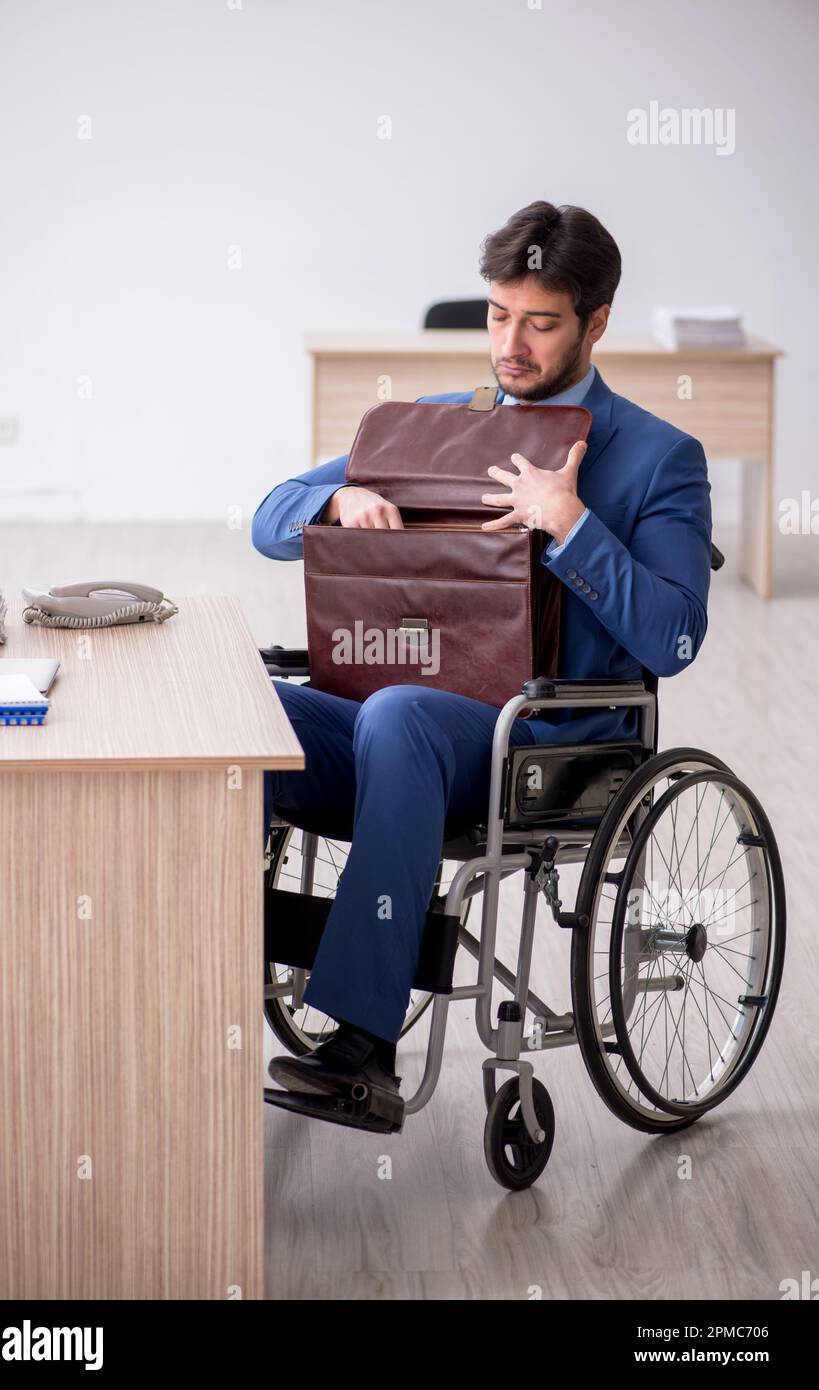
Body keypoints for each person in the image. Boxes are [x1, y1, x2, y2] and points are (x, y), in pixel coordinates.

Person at [251, 200, 712, 1129]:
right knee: (244, 710)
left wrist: (571, 525)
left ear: (595, 323)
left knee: (398, 715)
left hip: (539, 742)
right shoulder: (428, 428)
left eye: (540, 323)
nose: (511, 342)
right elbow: (269, 518)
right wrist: (339, 497)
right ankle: (189, 987)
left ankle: (361, 1047)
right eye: (498, 314)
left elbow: (674, 637)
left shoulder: (659, 458)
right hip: (393, 726)